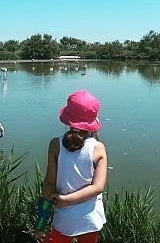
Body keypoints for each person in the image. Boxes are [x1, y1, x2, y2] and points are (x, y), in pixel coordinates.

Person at [34, 90, 107, 243]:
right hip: (90, 219)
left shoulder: (55, 144)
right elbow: (97, 187)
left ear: (68, 119)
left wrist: (41, 223)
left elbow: (48, 184)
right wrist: (67, 200)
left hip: (64, 220)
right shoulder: (98, 148)